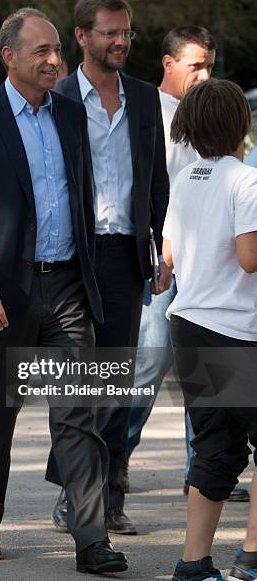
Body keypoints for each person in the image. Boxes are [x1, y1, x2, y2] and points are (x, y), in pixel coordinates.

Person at [0, 8, 128, 574]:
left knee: (77, 417)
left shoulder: (71, 117)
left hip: (66, 288)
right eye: (41, 51)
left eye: (56, 51)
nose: (54, 60)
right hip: (0, 296)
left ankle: (90, 539)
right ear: (9, 58)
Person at [48, 0, 171, 536]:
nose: (121, 41)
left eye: (126, 33)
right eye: (109, 33)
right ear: (81, 37)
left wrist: (163, 244)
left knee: (117, 381)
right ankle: (76, 495)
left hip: (126, 253)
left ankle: (111, 493)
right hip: (75, 255)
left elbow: (158, 180)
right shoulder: (59, 98)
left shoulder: (145, 98)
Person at [122, 26, 249, 503]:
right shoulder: (146, 111)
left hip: (210, 263)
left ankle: (208, 470)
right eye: (196, 64)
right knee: (149, 361)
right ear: (168, 63)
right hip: (165, 256)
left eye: (210, 66)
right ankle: (108, 468)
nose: (204, 74)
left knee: (207, 369)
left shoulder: (214, 112)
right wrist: (160, 258)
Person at [161, 78, 257, 581]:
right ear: (241, 125)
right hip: (236, 333)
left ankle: (194, 564)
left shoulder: (186, 179)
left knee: (215, 446)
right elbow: (249, 259)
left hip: (189, 326)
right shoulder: (246, 180)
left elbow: (169, 258)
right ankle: (253, 554)